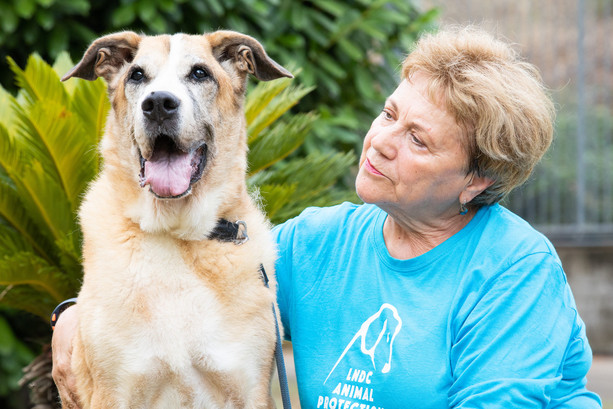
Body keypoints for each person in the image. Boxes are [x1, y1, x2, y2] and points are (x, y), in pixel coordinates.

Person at [51, 25, 602, 408]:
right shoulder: (319, 243)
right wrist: (74, 314)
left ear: (476, 179)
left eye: (417, 139)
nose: (381, 142)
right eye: (389, 114)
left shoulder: (515, 270)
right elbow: (186, 283)